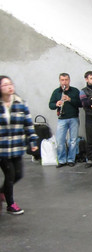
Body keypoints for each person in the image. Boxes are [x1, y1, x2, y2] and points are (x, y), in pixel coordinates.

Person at [0, 76, 38, 215]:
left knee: (19, 174)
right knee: (9, 175)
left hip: (16, 147)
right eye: (5, 85)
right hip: (2, 148)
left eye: (10, 84)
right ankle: (11, 204)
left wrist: (33, 141)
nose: (9, 87)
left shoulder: (21, 103)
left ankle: (2, 192)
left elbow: (28, 124)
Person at [49, 73, 81, 168]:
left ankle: (71, 160)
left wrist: (70, 99)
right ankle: (62, 160)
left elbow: (80, 104)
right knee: (60, 141)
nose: (64, 82)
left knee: (73, 140)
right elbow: (50, 105)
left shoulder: (75, 91)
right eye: (62, 80)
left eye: (66, 80)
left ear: (69, 80)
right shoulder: (56, 92)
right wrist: (56, 104)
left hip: (73, 118)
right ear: (59, 81)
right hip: (62, 119)